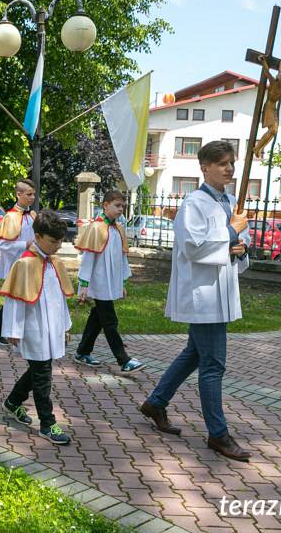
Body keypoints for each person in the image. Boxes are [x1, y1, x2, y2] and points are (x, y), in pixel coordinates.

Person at [139, 140, 252, 462]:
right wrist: (231, 233)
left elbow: (238, 242)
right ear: (204, 167)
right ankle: (218, 434)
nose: (229, 168)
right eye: (221, 163)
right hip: (202, 294)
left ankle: (156, 403)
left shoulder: (231, 202)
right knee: (213, 365)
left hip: (222, 290)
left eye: (231, 162)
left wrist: (241, 246)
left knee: (194, 354)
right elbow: (192, 247)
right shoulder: (193, 204)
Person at [1, 210, 74, 445]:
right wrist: (12, 329)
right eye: (53, 241)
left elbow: (60, 298)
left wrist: (65, 326)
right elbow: (14, 299)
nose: (58, 246)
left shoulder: (54, 264)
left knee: (39, 370)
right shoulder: (24, 264)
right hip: (33, 328)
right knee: (43, 374)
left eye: (61, 241)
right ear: (38, 236)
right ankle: (47, 423)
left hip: (51, 327)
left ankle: (12, 402)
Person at [73, 189, 145, 372]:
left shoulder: (118, 229)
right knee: (110, 322)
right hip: (99, 283)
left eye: (123, 206)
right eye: (117, 205)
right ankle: (124, 360)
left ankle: (82, 352)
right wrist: (84, 285)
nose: (121, 209)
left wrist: (121, 283)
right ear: (105, 205)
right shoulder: (97, 228)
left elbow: (121, 259)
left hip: (110, 283)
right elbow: (88, 259)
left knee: (97, 319)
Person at [0, 178, 37, 346]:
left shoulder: (31, 215)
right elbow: (3, 244)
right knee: (13, 297)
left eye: (33, 194)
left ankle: (10, 329)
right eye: (29, 194)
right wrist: (25, 244)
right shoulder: (10, 217)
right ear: (19, 194)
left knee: (21, 296)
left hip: (30, 262)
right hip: (14, 263)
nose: (32, 198)